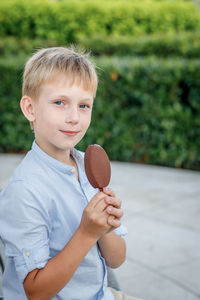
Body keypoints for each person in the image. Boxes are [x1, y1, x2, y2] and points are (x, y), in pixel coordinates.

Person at [0, 47, 140, 300]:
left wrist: (105, 228)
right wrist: (87, 233)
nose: (74, 117)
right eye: (59, 103)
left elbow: (117, 260)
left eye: (84, 105)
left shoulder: (88, 167)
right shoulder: (25, 190)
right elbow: (36, 291)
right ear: (30, 108)